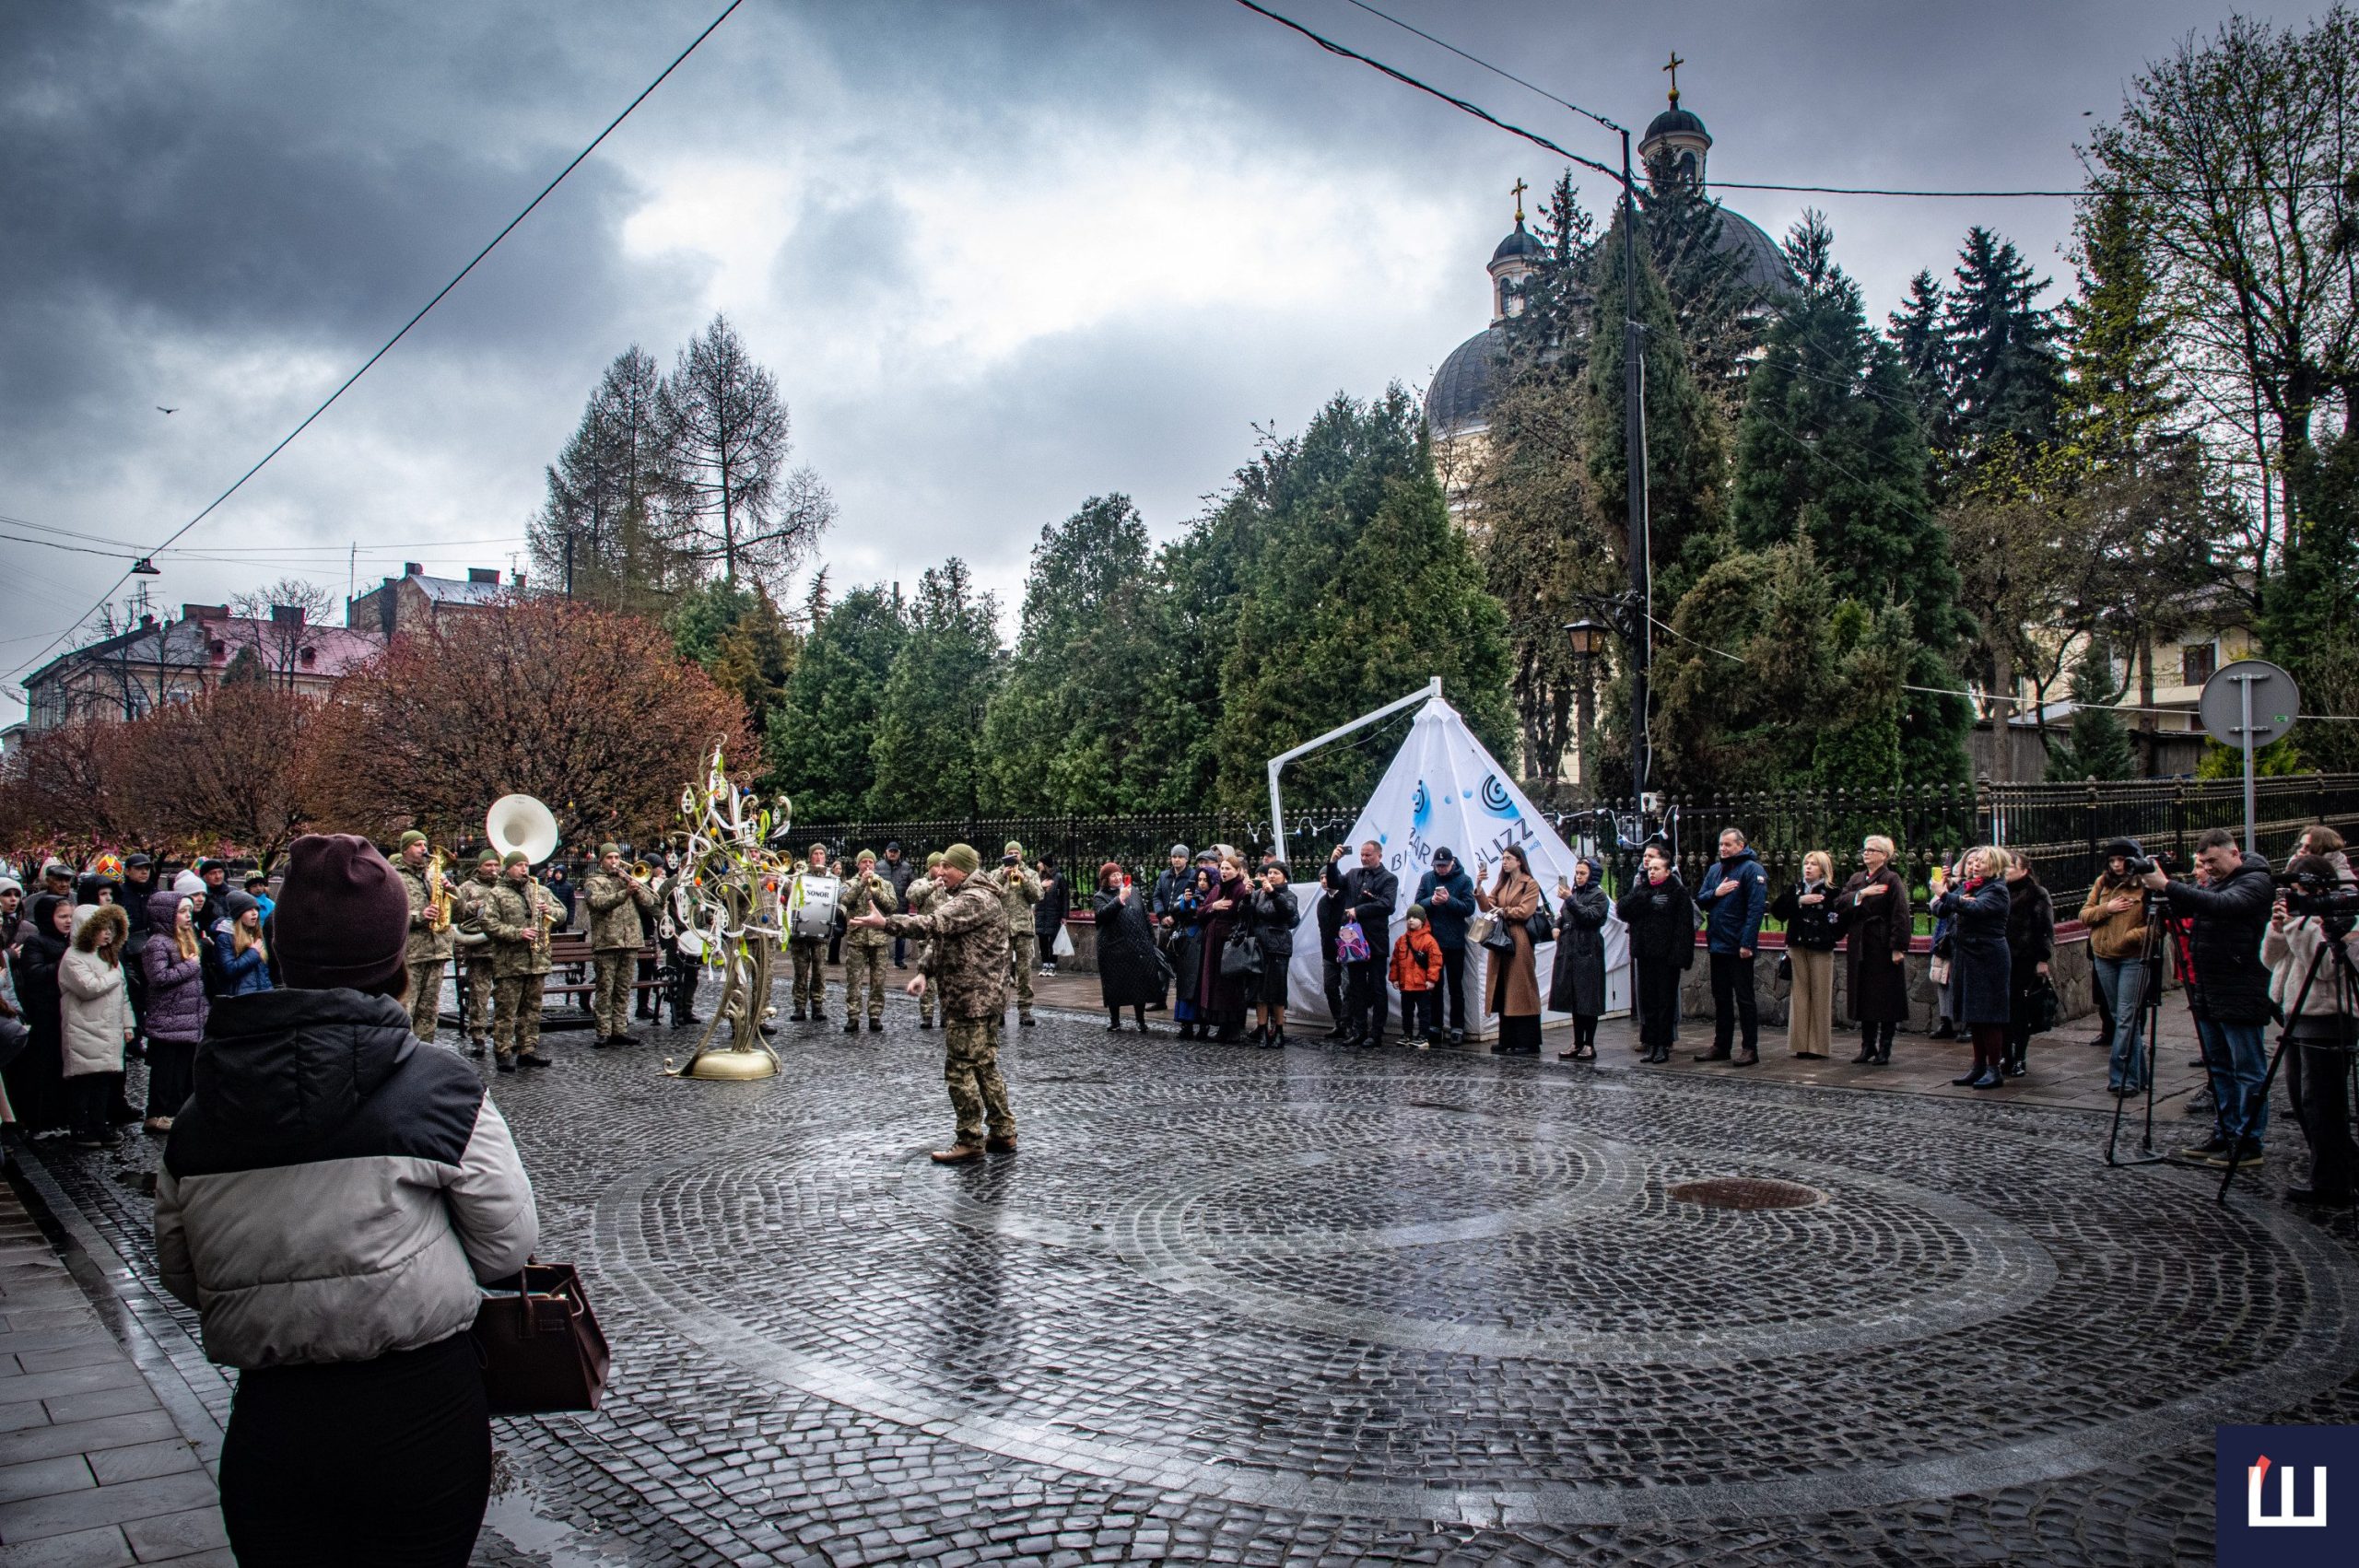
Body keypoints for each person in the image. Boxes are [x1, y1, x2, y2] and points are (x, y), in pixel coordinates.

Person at [156, 832, 539, 1568]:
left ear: (282, 953)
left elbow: (181, 1271)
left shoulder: (203, 1111)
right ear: (394, 958)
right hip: (419, 1403)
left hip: (274, 1413)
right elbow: (506, 1247)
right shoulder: (441, 1088)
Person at [856, 843, 1016, 1164]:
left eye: (947, 866)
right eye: (940, 866)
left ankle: (970, 1139)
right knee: (985, 1065)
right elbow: (946, 938)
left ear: (964, 869)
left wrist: (885, 923)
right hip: (981, 997)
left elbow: (931, 924)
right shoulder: (972, 895)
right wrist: (924, 972)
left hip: (971, 999)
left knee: (960, 1068)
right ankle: (1002, 1131)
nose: (940, 872)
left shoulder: (975, 899)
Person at [2141, 827, 2278, 1168]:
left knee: (2247, 1070)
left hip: (2241, 988)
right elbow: (2191, 907)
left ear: (2235, 853)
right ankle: (2225, 1132)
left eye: (2213, 861)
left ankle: (2249, 1141)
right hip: (2210, 988)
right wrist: (2156, 888)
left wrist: (2168, 886)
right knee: (2219, 1068)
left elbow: (2224, 906)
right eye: (2203, 863)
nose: (2207, 868)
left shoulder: (2256, 881)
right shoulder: (2215, 883)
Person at [2266, 853, 2359, 1207]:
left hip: (2327, 1016)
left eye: (2298, 890)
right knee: (2302, 1101)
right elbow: (2269, 961)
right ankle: (2344, 1167)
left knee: (2322, 1103)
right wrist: (2278, 929)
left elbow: (2325, 969)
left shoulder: (2337, 917)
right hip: (2295, 1014)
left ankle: (2332, 1181)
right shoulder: (2298, 918)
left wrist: (2295, 925)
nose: (2293, 897)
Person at [1931, 847, 2013, 1090]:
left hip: (1988, 956)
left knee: (1989, 1015)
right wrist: (1947, 895)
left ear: (1995, 865)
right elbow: (1940, 909)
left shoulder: (1997, 890)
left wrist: (1949, 898)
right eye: (1974, 861)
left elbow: (1977, 909)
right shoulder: (1970, 886)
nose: (1975, 865)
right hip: (1966, 955)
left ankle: (1993, 1069)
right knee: (1973, 1014)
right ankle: (1978, 1066)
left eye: (1982, 862)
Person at [59, 904, 134, 1149]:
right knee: (83, 1082)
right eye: (102, 929)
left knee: (103, 1081)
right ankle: (81, 1127)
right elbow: (88, 987)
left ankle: (100, 1124)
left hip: (107, 1028)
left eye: (110, 928)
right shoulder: (72, 958)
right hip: (83, 1029)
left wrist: (128, 1025)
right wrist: (114, 975)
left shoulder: (109, 956)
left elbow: (123, 996)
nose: (107, 933)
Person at [1690, 828, 1767, 1065]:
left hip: (1738, 945)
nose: (1723, 848)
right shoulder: (1715, 870)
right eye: (1721, 844)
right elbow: (1701, 899)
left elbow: (1755, 910)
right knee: (1721, 997)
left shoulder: (1752, 870)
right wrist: (1716, 892)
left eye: (1728, 844)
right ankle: (1721, 1045)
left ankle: (1750, 1048)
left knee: (1744, 999)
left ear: (1740, 845)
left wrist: (1747, 943)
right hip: (1718, 943)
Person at [2083, 841, 2154, 1096]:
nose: (2116, 865)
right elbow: (2085, 914)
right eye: (2112, 861)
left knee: (2126, 1017)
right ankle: (2139, 1075)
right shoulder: (2103, 882)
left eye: (2121, 860)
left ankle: (2122, 1078)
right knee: (2119, 1016)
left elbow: (2157, 927)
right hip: (2104, 956)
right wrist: (2107, 908)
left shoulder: (2146, 885)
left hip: (2132, 958)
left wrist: (2129, 937)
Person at [1836, 836, 1911, 1065]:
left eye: (1872, 850)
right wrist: (1861, 894)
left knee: (1885, 997)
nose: (1866, 853)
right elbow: (1839, 903)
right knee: (1864, 995)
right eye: (1865, 849)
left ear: (1884, 855)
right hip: (1860, 944)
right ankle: (1867, 1045)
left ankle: (1885, 1047)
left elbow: (1900, 913)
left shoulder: (1891, 879)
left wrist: (1898, 947)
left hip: (1881, 944)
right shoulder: (1857, 879)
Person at [1617, 843, 1694, 1063]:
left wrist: (1679, 956)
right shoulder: (1642, 889)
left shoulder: (1677, 891)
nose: (1651, 871)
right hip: (1645, 954)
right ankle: (1650, 1043)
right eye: (1650, 868)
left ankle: (1663, 1045)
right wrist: (1646, 900)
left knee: (1664, 1002)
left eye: (1656, 868)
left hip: (1666, 957)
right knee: (1648, 1000)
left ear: (1667, 871)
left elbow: (1684, 927)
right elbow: (1623, 909)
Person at [482, 851, 559, 1072]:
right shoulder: (496, 893)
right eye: (518, 865)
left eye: (526, 864)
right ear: (508, 868)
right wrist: (518, 933)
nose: (524, 868)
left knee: (532, 1009)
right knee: (506, 1011)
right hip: (510, 963)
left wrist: (549, 910)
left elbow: (562, 913)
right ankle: (503, 1051)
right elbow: (487, 923)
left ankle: (528, 1050)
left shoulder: (540, 890)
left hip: (537, 960)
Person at [140, 890, 206, 1135]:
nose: (188, 916)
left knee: (183, 1069)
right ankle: (158, 1113)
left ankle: (177, 1111)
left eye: (189, 911)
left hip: (187, 1017)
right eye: (182, 912)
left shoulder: (185, 938)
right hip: (169, 1017)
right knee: (166, 1071)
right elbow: (158, 977)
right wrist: (190, 966)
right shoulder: (157, 943)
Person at [582, 845, 656, 1048]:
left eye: (617, 857)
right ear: (601, 860)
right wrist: (625, 893)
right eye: (609, 857)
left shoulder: (628, 878)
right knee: (605, 989)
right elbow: (598, 903)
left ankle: (620, 1029)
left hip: (630, 940)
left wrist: (635, 887)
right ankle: (603, 1031)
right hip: (607, 942)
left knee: (623, 988)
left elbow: (649, 902)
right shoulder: (593, 881)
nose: (614, 861)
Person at [1325, 841, 1398, 1047]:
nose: (1364, 858)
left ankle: (1376, 1032)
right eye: (1362, 855)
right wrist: (1333, 862)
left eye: (1368, 855)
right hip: (1353, 942)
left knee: (1377, 988)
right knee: (1356, 988)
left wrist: (1359, 911)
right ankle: (1359, 1029)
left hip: (1375, 941)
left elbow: (1387, 904)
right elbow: (1334, 882)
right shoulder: (1354, 874)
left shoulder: (1389, 878)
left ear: (1379, 856)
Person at [1770, 851, 1842, 1059]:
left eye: (1814, 864)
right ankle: (1800, 1043)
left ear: (1823, 869)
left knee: (1820, 994)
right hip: (1797, 945)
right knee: (1799, 995)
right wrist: (1799, 900)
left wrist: (1829, 934)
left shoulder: (1832, 891)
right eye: (1806, 863)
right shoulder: (1796, 889)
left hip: (1821, 948)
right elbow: (1777, 911)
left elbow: (1840, 919)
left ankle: (1818, 1047)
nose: (1808, 867)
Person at [1473, 846, 1543, 1055]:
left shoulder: (1530, 884)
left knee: (1521, 988)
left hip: (1519, 939)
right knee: (1503, 987)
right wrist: (1479, 886)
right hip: (1500, 939)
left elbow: (1525, 911)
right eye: (1503, 858)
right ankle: (1507, 1039)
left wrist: (1503, 911)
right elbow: (1487, 906)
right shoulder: (1502, 883)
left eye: (1508, 858)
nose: (1504, 862)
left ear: (1519, 861)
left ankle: (1527, 1040)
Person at [393, 832, 455, 1044]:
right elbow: (389, 915)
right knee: (406, 1009)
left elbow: (461, 911)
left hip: (436, 951)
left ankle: (426, 1051)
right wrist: (419, 916)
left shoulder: (432, 875)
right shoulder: (395, 877)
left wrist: (450, 890)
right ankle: (404, 1051)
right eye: (417, 845)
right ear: (405, 849)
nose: (424, 849)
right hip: (411, 954)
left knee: (429, 1011)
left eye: (425, 844)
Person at [1414, 848, 1478, 1046]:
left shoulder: (1464, 880)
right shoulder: (1427, 878)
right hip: (1432, 942)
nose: (1441, 869)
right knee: (1435, 986)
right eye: (1438, 865)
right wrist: (1431, 902)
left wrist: (1449, 900)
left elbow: (1469, 908)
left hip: (1455, 942)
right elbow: (1417, 905)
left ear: (1452, 863)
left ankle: (1457, 1027)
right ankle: (1435, 1025)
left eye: (1444, 865)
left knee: (1456, 987)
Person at [1548, 858, 1610, 1060]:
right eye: (1577, 873)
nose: (1578, 877)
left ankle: (1589, 1043)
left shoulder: (1599, 896)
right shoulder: (1574, 894)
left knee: (1588, 998)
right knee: (1574, 997)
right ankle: (1577, 1041)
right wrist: (1556, 926)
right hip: (1570, 949)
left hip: (1588, 949)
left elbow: (1589, 916)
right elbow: (1563, 915)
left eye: (1583, 873)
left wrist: (1570, 900)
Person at [1191, 850, 1253, 1043]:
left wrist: (1247, 897)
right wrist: (1213, 907)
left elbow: (1245, 915)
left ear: (1237, 870)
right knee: (1216, 985)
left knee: (1230, 985)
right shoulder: (1217, 889)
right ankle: (1222, 1027)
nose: (1224, 872)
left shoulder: (1240, 889)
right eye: (1222, 868)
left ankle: (1233, 1028)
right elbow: (1200, 912)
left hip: (1230, 943)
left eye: (1228, 869)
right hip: (1213, 943)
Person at [1094, 862, 1165, 1032]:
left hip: (1137, 946)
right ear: (1105, 879)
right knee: (1114, 985)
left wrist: (1151, 940)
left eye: (1119, 874)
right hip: (1114, 949)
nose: (1117, 878)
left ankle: (1140, 1020)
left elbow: (1145, 916)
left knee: (1139, 985)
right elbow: (1102, 915)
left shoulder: (1135, 892)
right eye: (1113, 876)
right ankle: (1115, 1021)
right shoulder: (1100, 896)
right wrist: (1119, 899)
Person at [2001, 859, 2055, 1078]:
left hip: (2023, 958)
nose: (2006, 871)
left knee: (2018, 1008)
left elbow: (2044, 928)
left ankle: (2019, 1056)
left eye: (2011, 867)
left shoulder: (2036, 893)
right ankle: (2005, 1053)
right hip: (2001, 957)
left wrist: (2042, 959)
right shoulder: (1999, 890)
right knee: (2002, 1008)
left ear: (2024, 870)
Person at [986, 842, 1045, 1026]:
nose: (1013, 855)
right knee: (1001, 972)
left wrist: (1024, 879)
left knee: (1024, 972)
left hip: (1023, 928)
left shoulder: (1031, 874)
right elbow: (986, 894)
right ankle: (1000, 1010)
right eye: (1010, 853)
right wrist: (1002, 877)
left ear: (1021, 855)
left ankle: (1025, 1010)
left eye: (1016, 853)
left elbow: (1038, 896)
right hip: (1001, 929)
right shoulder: (995, 874)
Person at [839, 848, 898, 1035]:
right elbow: (845, 901)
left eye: (870, 862)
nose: (867, 865)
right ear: (858, 865)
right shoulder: (849, 884)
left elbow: (892, 906)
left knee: (878, 982)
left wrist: (876, 890)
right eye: (864, 862)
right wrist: (861, 884)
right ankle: (853, 1016)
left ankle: (875, 1015)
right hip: (857, 939)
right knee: (854, 981)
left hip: (879, 939)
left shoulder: (885, 884)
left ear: (875, 865)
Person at [452, 849, 501, 1059]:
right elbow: (455, 913)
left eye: (496, 865)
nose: (493, 869)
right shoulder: (467, 887)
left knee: (505, 998)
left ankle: (502, 1037)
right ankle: (478, 1037)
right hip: (479, 951)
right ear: (479, 866)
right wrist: (475, 906)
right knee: (479, 997)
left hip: (503, 950)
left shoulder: (504, 886)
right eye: (488, 865)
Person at [1243, 861, 1297, 1047]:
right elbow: (1246, 915)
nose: (1272, 876)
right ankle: (1262, 1030)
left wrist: (1273, 894)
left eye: (1276, 873)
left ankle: (1279, 1030)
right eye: (1270, 873)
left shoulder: (1289, 895)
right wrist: (1247, 896)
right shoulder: (1259, 894)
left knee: (1278, 991)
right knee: (1260, 992)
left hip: (1278, 947)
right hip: (1259, 946)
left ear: (1285, 877)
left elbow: (1288, 911)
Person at [786, 843, 836, 1024]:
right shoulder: (801, 875)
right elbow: (788, 895)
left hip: (821, 934)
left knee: (819, 971)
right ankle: (799, 1006)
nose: (819, 857)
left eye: (822, 853)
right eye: (815, 853)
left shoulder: (831, 878)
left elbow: (838, 899)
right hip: (800, 933)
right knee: (800, 971)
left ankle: (817, 1005)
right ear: (810, 857)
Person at [1389, 905, 1445, 1048]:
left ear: (1422, 920)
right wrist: (1395, 978)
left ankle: (1423, 1036)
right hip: (1406, 985)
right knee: (1406, 1011)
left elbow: (1435, 962)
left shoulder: (1429, 941)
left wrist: (1431, 980)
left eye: (1415, 917)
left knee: (1424, 1012)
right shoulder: (1401, 940)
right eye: (1409, 917)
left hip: (1421, 985)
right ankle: (1407, 1034)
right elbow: (1395, 961)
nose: (1411, 920)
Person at [904, 853, 946, 1030]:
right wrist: (933, 885)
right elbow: (912, 896)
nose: (941, 870)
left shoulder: (950, 884)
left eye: (943, 865)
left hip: (946, 939)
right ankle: (927, 1015)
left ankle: (946, 1014)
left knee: (946, 979)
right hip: (927, 938)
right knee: (926, 978)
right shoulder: (920, 883)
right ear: (929, 867)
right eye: (937, 866)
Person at [213, 892, 274, 998]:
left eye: (256, 909)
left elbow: (264, 972)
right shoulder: (225, 938)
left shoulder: (256, 934)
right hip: (241, 998)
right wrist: (253, 953)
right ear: (238, 913)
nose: (254, 913)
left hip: (263, 996)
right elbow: (229, 970)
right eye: (249, 909)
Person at [880, 842, 917, 969]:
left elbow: (913, 884)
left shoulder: (906, 867)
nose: (893, 853)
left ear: (899, 853)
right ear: (886, 852)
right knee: (879, 933)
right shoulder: (879, 866)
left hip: (901, 905)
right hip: (883, 906)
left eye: (895, 851)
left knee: (901, 934)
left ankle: (899, 960)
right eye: (891, 851)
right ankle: (878, 960)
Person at [1150, 846, 1191, 954]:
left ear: (1186, 859)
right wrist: (1162, 916)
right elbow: (1157, 897)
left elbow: (1190, 901)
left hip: (1182, 924)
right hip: (1164, 924)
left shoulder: (1192, 876)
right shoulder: (1164, 875)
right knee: (1164, 955)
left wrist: (1174, 916)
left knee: (1181, 955)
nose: (1176, 859)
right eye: (1174, 856)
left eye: (1180, 857)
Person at [1034, 859, 1069, 976]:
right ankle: (1045, 965)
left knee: (1053, 940)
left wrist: (1064, 916)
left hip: (1054, 913)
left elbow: (1065, 896)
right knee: (1042, 939)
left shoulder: (1058, 877)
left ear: (1045, 864)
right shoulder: (1038, 877)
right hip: (1040, 913)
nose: (1038, 865)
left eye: (1040, 862)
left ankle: (1052, 965)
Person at [542, 860, 575, 932]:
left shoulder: (569, 886)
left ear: (563, 874)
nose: (558, 875)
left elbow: (571, 904)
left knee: (562, 936)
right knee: (551, 935)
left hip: (563, 916)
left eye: (560, 873)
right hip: (552, 915)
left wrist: (570, 919)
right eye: (556, 873)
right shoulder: (550, 885)